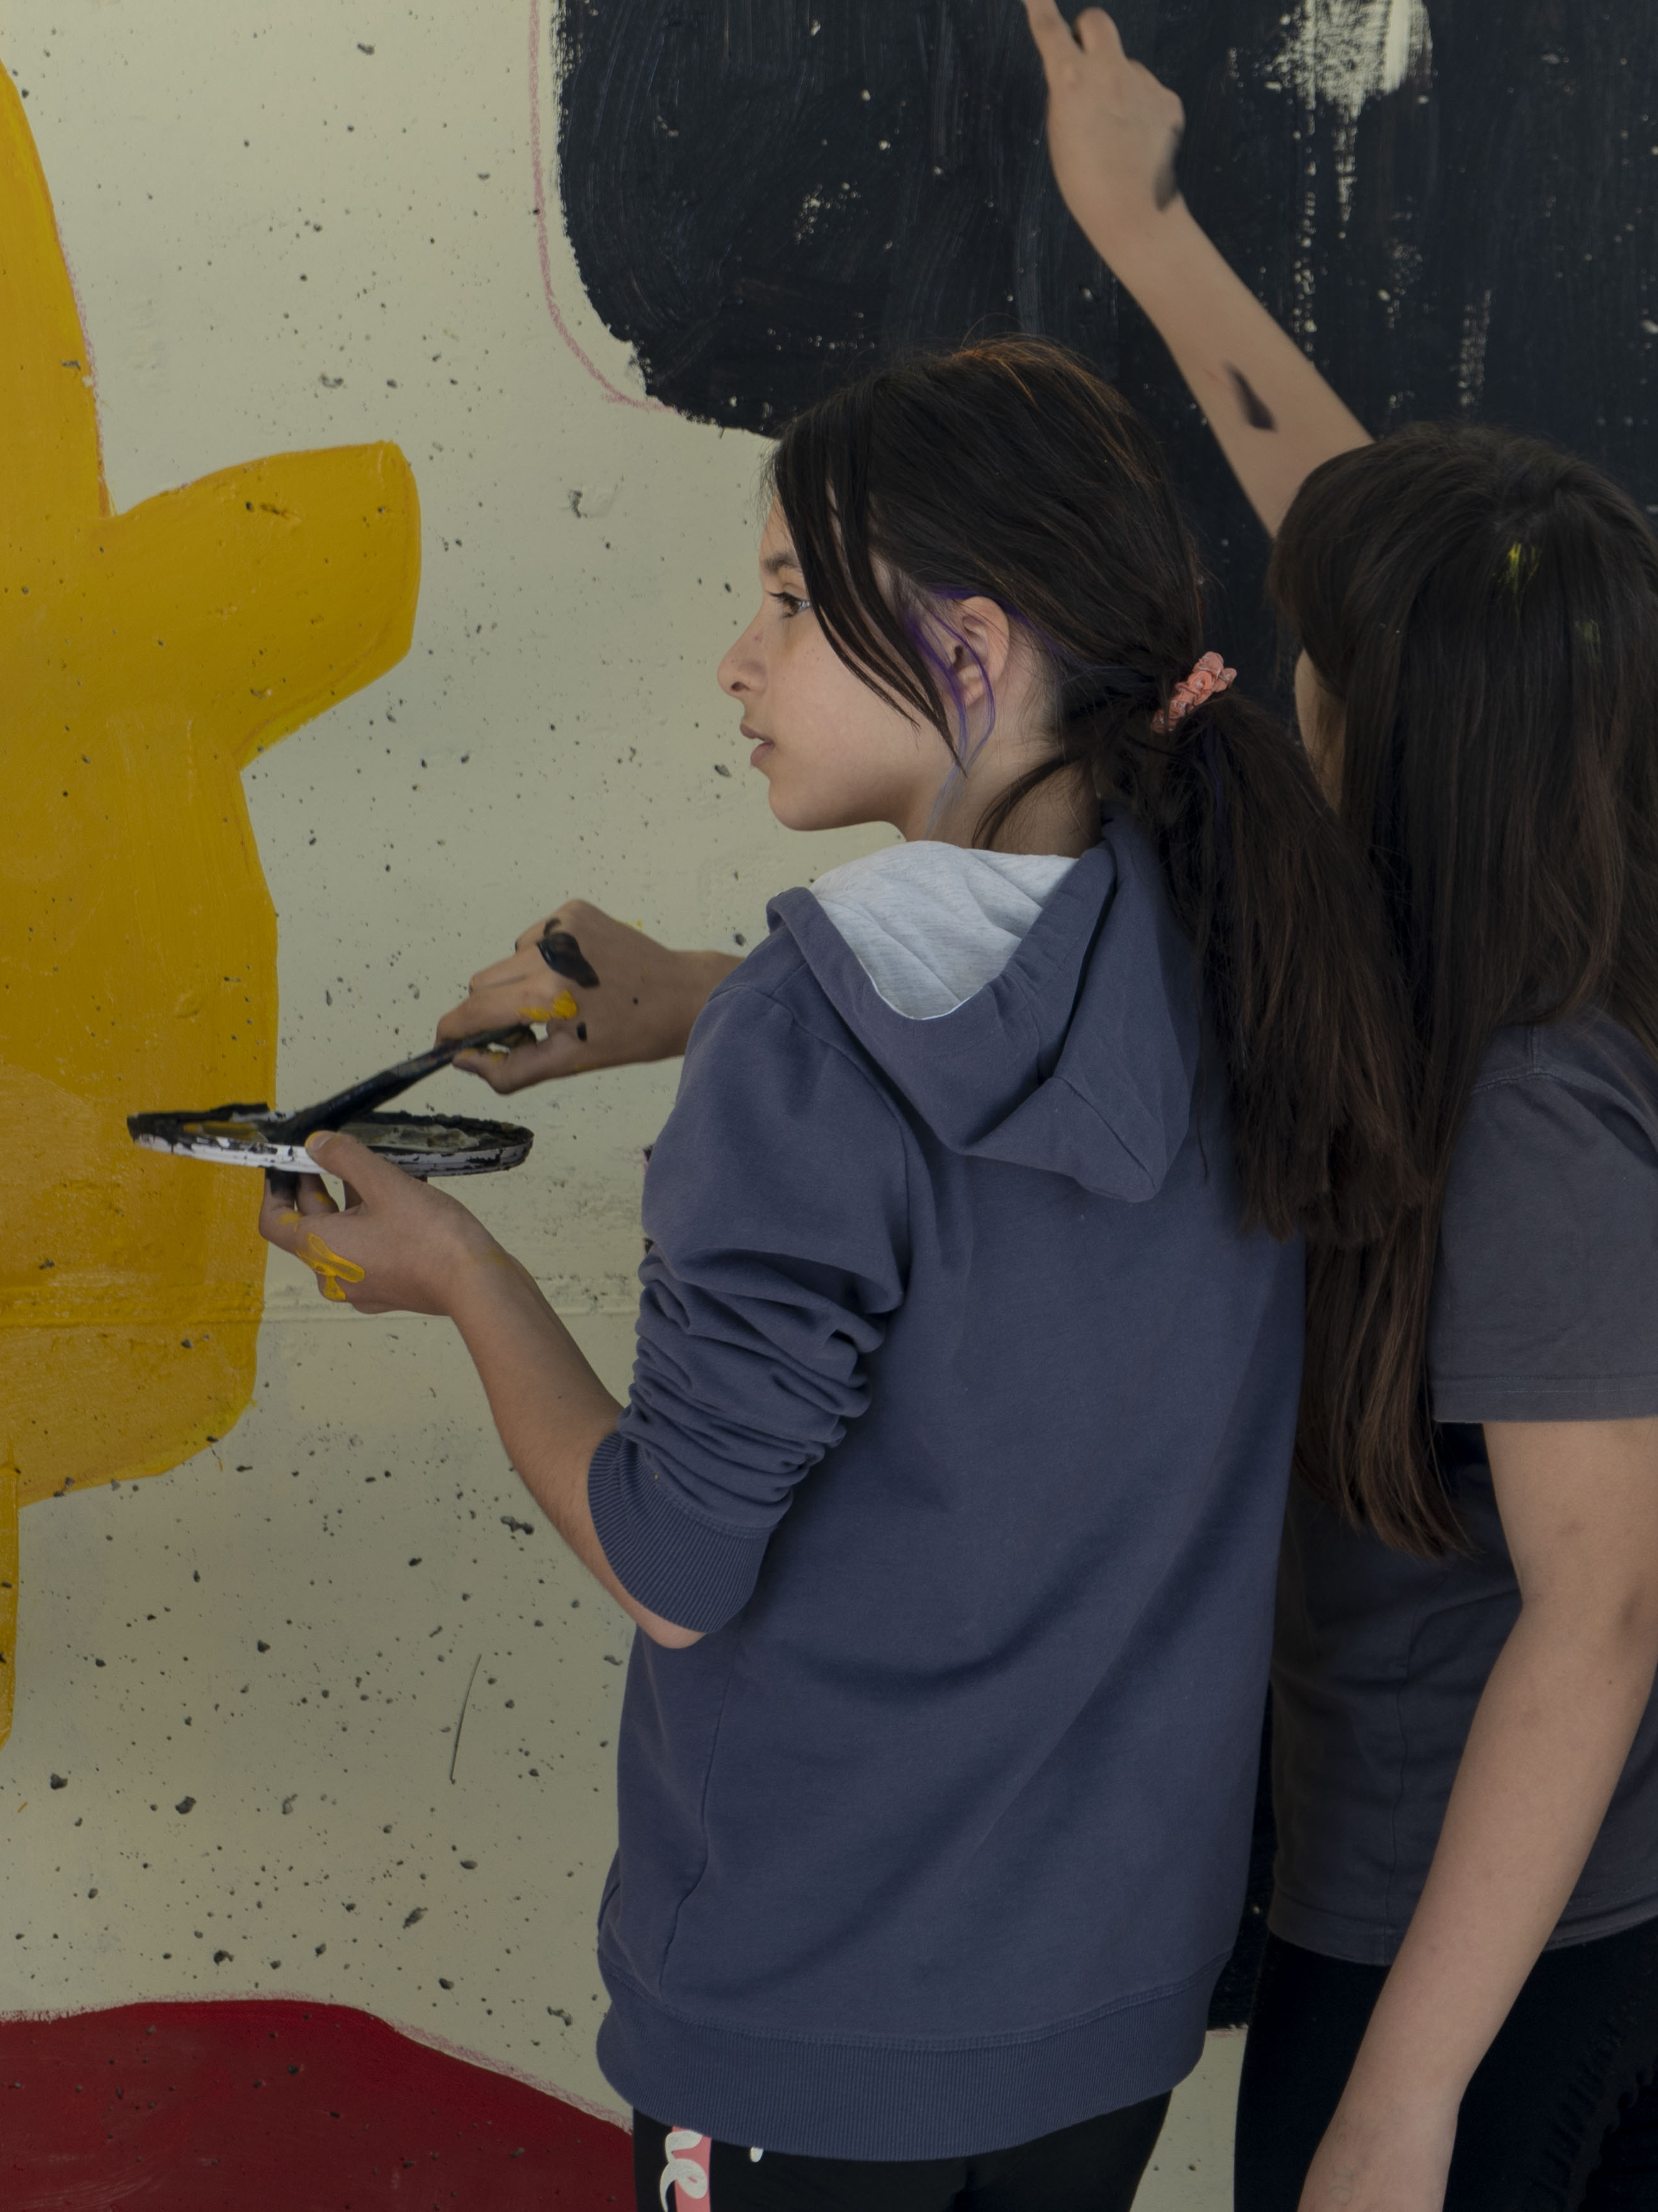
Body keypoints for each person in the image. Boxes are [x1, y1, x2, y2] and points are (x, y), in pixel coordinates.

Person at [259, 337, 1412, 2212]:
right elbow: (1006, 1095)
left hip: (814, 2011)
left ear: (968, 650)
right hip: (1108, 2003)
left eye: (789, 600)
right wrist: (688, 1002)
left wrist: (460, 1271)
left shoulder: (805, 1039)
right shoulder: (1232, 934)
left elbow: (676, 1566)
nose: (739, 658)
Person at [1011, 0, 1658, 2212]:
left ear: (1387, 717)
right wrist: (1148, 232)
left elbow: (1597, 1601)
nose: (1292, 668)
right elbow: (1407, 555)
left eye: (1318, 655)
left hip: (1518, 1934)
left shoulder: (1522, 1110)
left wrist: (1402, 2100)